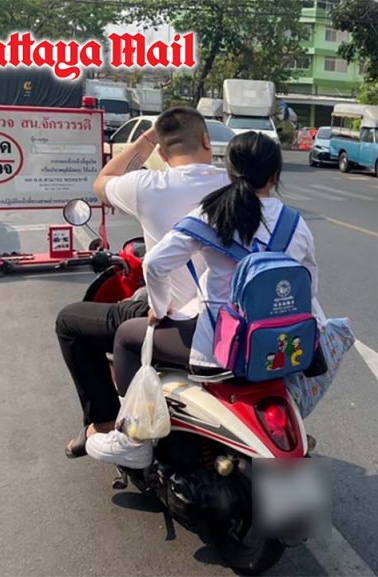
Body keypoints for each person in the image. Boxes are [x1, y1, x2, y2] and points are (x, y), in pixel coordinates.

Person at [85, 131, 318, 462]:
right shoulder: (295, 223)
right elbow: (309, 284)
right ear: (275, 175)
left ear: (231, 171)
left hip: (219, 350)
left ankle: (134, 440)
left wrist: (159, 308)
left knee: (126, 336)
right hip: (280, 350)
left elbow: (154, 264)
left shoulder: (213, 213)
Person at [55, 107, 229, 461]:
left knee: (69, 322)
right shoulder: (235, 185)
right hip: (231, 316)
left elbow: (102, 182)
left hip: (176, 318)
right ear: (206, 140)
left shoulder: (148, 186)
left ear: (162, 153)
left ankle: (107, 423)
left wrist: (147, 139)